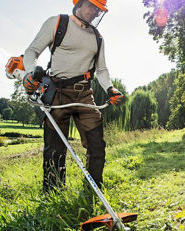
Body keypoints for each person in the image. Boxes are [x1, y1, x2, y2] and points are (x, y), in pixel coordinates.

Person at [22, 0, 123, 193]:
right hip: (57, 94)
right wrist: (29, 72)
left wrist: (110, 89)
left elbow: (101, 69)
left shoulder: (97, 37)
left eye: (99, 10)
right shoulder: (58, 23)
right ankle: (54, 194)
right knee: (54, 150)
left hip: (84, 94)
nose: (95, 12)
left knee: (97, 145)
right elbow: (32, 51)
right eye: (93, 6)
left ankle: (93, 192)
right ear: (80, 3)